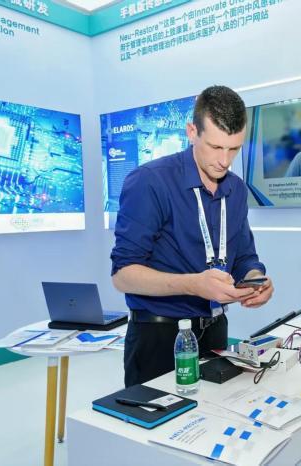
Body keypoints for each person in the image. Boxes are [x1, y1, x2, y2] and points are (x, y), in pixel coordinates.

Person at [111, 85, 274, 387]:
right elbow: (123, 275)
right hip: (159, 336)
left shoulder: (236, 189)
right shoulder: (150, 182)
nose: (224, 160)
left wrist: (255, 280)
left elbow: (244, 257)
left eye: (234, 149)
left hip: (216, 332)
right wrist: (194, 284)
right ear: (191, 132)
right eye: (215, 147)